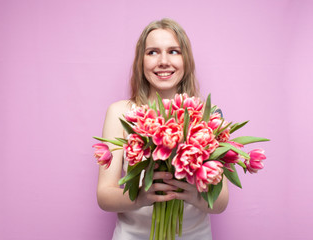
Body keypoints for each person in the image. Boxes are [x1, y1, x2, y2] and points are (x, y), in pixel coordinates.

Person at [97, 18, 229, 240]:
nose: (164, 61)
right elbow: (104, 195)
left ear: (186, 59)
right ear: (141, 61)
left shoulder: (208, 114)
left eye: (174, 51)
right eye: (152, 52)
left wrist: (194, 197)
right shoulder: (120, 113)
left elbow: (221, 201)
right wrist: (140, 197)